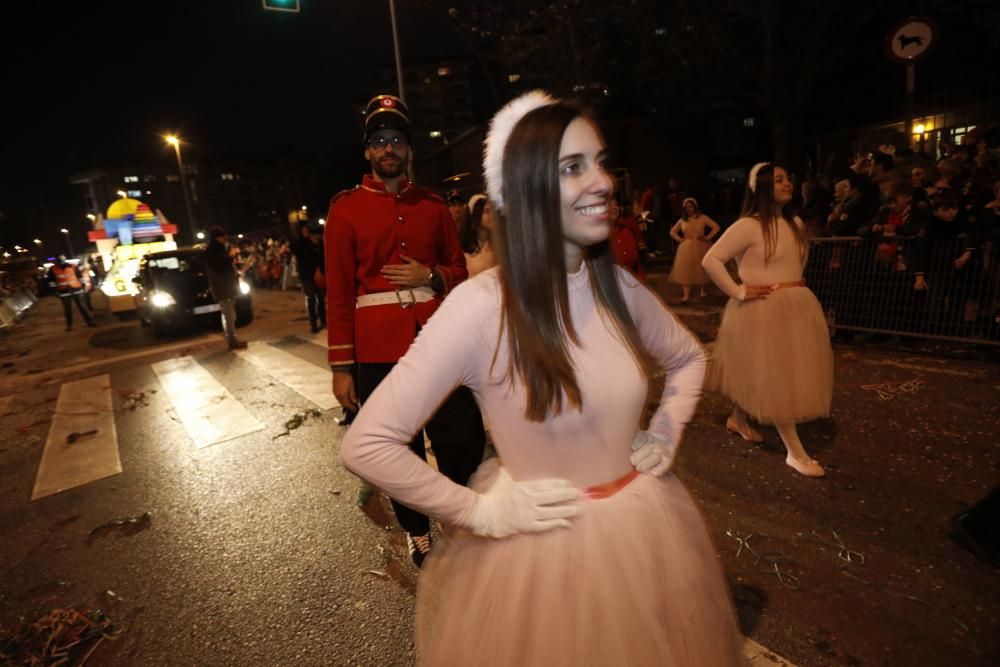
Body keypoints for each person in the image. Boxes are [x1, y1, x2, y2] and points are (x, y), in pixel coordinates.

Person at [340, 91, 743, 664]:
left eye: (600, 162)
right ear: (524, 190)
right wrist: (477, 512)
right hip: (541, 565)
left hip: (643, 536)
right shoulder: (480, 307)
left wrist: (665, 431)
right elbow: (367, 443)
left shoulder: (621, 288)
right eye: (573, 167)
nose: (603, 181)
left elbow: (688, 358)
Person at [325, 94, 486, 567]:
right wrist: (340, 367)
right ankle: (417, 530)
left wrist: (431, 277)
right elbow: (338, 293)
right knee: (399, 447)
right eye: (379, 141)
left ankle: (456, 511)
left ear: (408, 149)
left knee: (463, 437)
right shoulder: (345, 210)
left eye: (396, 139)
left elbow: (460, 270)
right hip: (375, 349)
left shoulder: (434, 206)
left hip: (436, 339)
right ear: (368, 152)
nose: (388, 148)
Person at [702, 162, 833, 478]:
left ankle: (738, 418)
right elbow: (712, 259)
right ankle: (795, 452)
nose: (787, 183)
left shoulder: (794, 224)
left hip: (795, 305)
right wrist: (739, 291)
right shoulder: (748, 226)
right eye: (778, 180)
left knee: (770, 372)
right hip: (762, 308)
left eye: (788, 178)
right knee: (778, 374)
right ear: (761, 187)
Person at [668, 197, 720, 302]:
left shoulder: (702, 217)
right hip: (686, 247)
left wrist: (707, 237)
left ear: (695, 207)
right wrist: (679, 239)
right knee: (686, 270)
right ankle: (686, 295)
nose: (689, 209)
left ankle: (702, 291)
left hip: (701, 245)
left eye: (690, 206)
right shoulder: (683, 220)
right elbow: (673, 231)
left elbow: (716, 227)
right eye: (686, 207)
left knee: (701, 268)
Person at [204, 226, 247, 350]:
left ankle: (232, 339)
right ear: (218, 238)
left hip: (227, 286)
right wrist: (231, 256)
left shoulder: (219, 249)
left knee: (230, 315)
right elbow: (220, 266)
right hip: (223, 288)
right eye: (224, 236)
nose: (226, 238)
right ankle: (232, 341)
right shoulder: (212, 251)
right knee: (228, 315)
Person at [291, 220, 326, 333]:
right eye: (304, 229)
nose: (306, 231)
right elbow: (296, 251)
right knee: (310, 298)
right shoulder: (299, 242)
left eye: (308, 229)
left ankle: (324, 321)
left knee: (321, 298)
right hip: (306, 275)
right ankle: (313, 324)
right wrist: (305, 239)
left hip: (319, 274)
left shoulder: (318, 242)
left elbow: (322, 257)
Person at [47, 255, 95, 331]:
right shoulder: (52, 269)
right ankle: (70, 326)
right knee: (68, 310)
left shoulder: (73, 266)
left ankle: (90, 322)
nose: (61, 262)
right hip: (64, 292)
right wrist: (54, 292)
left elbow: (80, 277)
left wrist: (83, 286)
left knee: (83, 307)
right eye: (59, 260)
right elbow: (51, 282)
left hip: (76, 290)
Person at [460, 193, 497, 277]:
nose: (492, 215)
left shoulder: (496, 245)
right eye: (487, 211)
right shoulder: (466, 249)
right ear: (477, 214)